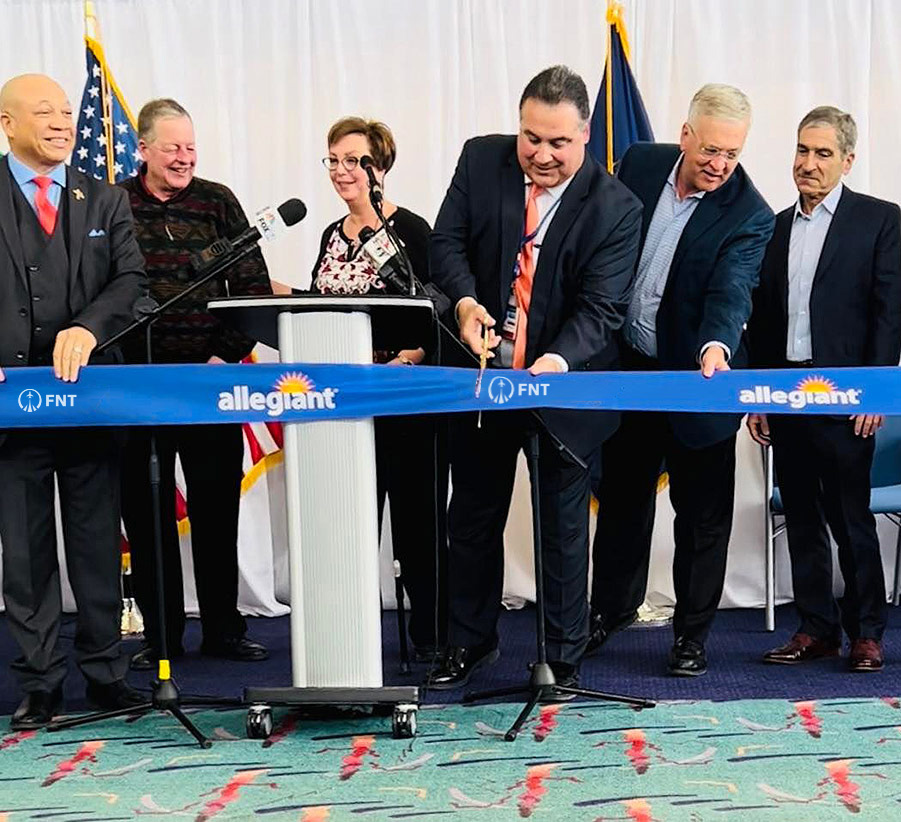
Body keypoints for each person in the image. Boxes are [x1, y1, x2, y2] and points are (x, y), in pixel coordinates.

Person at [427, 65, 642, 691]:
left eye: (558, 143)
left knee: (562, 525)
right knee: (470, 514)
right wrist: (465, 303)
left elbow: (603, 309)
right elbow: (446, 245)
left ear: (584, 139)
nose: (541, 155)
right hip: (483, 377)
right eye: (531, 138)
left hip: (563, 386)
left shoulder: (616, 207)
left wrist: (555, 364)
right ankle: (468, 643)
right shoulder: (480, 160)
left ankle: (562, 657)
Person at [589, 84, 775, 677]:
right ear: (686, 134)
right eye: (711, 150)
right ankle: (609, 610)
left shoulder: (750, 213)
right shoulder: (641, 163)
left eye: (733, 154)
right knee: (622, 498)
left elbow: (733, 290)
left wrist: (717, 345)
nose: (720, 164)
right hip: (633, 370)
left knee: (702, 517)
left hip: (701, 378)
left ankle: (691, 635)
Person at [0, 73, 147, 729]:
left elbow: (131, 281)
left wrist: (87, 327)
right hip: (11, 411)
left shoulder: (105, 198)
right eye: (44, 111)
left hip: (90, 404)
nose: (62, 121)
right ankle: (39, 684)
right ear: (7, 122)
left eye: (66, 110)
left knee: (94, 544)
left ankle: (107, 675)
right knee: (25, 554)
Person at [118, 98, 270, 670]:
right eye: (172, 147)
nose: (184, 157)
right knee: (146, 510)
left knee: (215, 510)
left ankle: (224, 631)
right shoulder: (113, 202)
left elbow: (251, 286)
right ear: (144, 149)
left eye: (190, 146)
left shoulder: (217, 201)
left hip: (210, 384)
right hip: (138, 387)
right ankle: (160, 636)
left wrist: (223, 356)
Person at [748, 107, 901, 673]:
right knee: (804, 521)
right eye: (802, 150)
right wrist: (758, 396)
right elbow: (762, 319)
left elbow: (889, 315)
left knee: (850, 518)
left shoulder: (880, 221)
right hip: (786, 394)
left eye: (822, 154)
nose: (807, 164)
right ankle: (816, 629)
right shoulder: (774, 226)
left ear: (848, 161)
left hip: (845, 396)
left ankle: (867, 634)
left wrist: (875, 395)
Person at [311, 116, 447, 658]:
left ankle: (435, 638)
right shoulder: (328, 234)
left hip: (403, 400)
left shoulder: (410, 230)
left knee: (418, 529)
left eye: (355, 161)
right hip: (342, 404)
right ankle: (348, 634)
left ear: (381, 168)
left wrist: (408, 356)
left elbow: (432, 310)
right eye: (335, 161)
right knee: (347, 526)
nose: (343, 172)